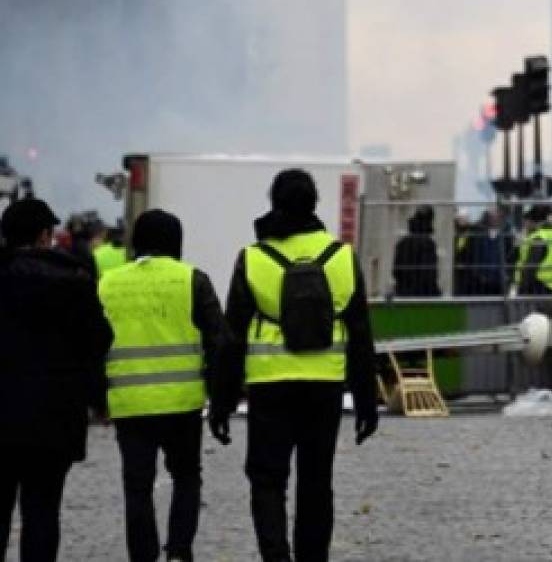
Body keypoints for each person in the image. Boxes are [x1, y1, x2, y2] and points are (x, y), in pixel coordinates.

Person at [212, 169, 378, 562]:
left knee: (267, 480)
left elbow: (231, 336)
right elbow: (360, 334)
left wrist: (221, 401)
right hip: (325, 384)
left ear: (274, 203)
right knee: (317, 481)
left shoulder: (253, 258)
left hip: (270, 385)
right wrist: (367, 400)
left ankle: (275, 556)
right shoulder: (341, 256)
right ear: (315, 204)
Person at [98, 210, 227, 562]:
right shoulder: (192, 280)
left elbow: (91, 344)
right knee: (186, 477)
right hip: (182, 403)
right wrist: (220, 399)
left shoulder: (108, 283)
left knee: (137, 487)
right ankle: (179, 552)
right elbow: (219, 342)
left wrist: (98, 398)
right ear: (177, 243)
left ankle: (143, 555)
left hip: (129, 402)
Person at [0, 198, 113, 561]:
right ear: (46, 235)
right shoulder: (74, 282)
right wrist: (98, 399)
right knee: (43, 511)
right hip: (54, 417)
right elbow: (100, 340)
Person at [512, 205, 552, 295]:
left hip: (540, 286)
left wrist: (521, 289)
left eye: (525, 221)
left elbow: (531, 265)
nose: (524, 225)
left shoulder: (539, 237)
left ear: (531, 221)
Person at [392, 205, 440, 297]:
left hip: (403, 292)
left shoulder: (402, 243)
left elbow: (396, 271)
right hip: (424, 294)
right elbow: (430, 274)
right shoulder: (429, 244)